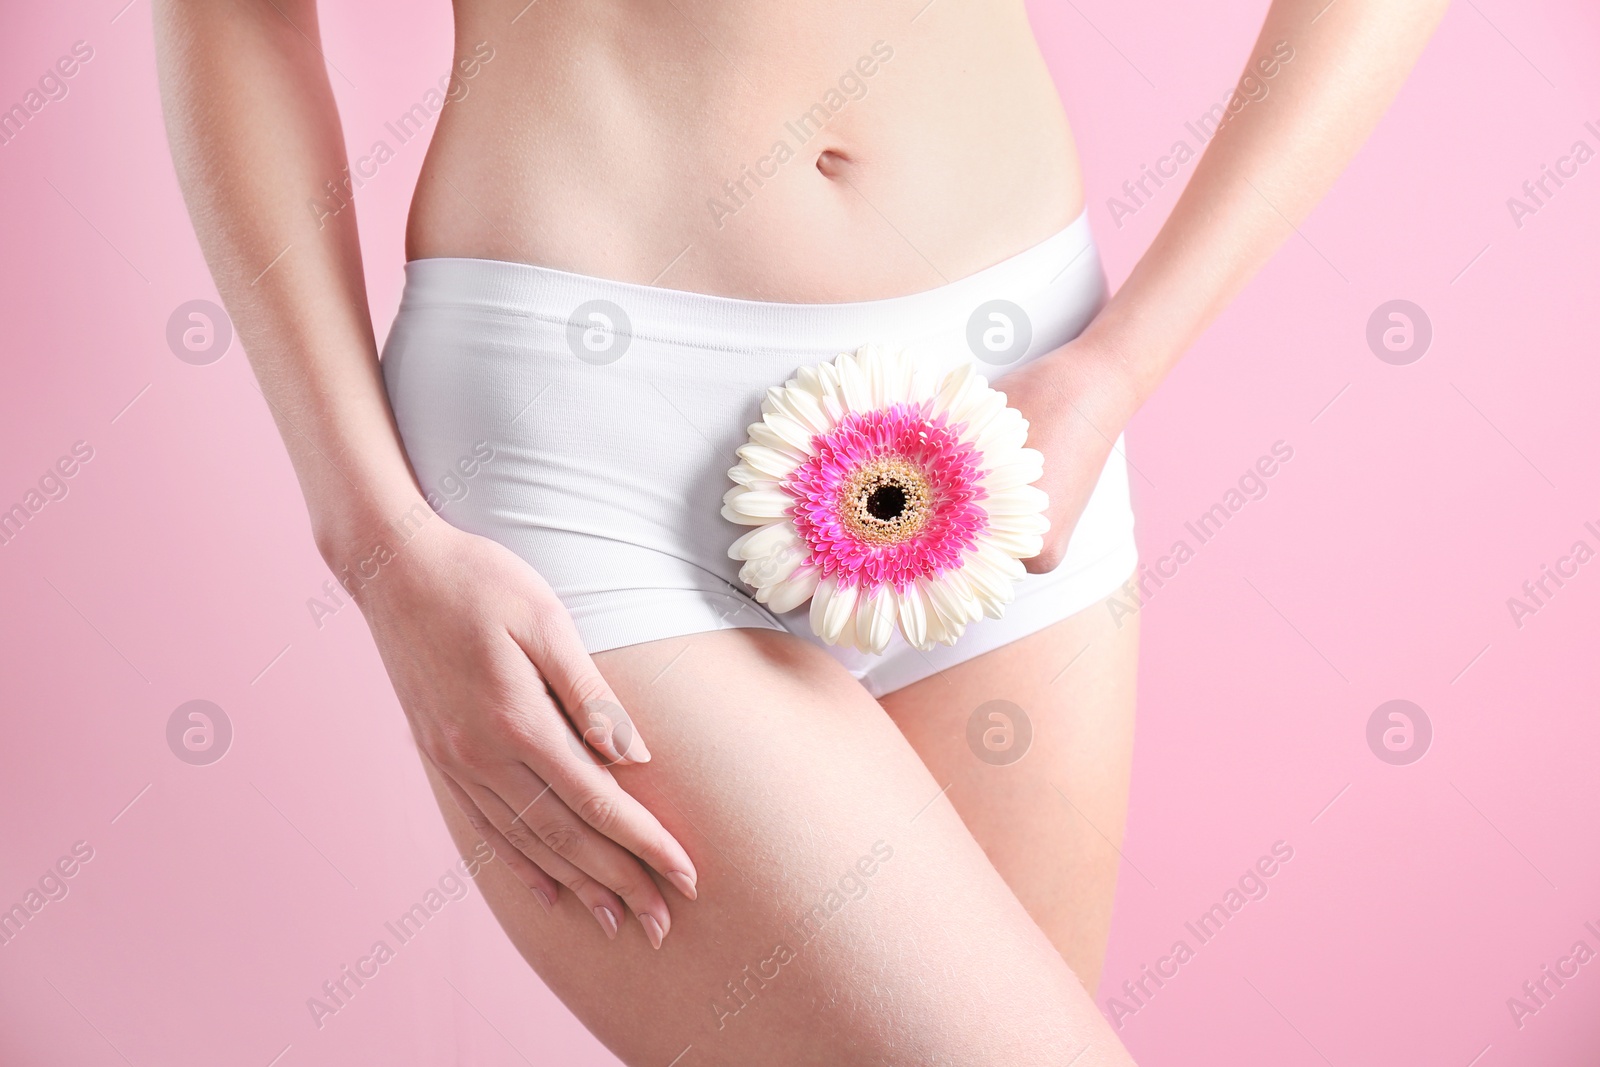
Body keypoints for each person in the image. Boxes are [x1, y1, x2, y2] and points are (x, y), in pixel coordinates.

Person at [154, 1, 1447, 1062]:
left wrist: (1119, 367)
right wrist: (372, 541)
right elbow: (236, 17)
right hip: (581, 442)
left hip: (1012, 408)